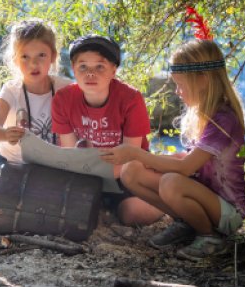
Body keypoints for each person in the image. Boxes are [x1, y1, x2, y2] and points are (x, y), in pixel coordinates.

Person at [99, 39, 245, 261]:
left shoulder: (223, 119)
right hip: (204, 196)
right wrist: (145, 161)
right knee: (132, 171)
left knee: (170, 181)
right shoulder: (202, 116)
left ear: (202, 80)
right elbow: (187, 158)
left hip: (227, 211)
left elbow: (186, 168)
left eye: (181, 84)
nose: (177, 92)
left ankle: (210, 237)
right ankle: (188, 222)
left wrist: (137, 153)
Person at [51, 34, 164, 226]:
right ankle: (102, 204)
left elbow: (131, 155)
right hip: (86, 172)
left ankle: (163, 202)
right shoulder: (63, 99)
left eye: (100, 67)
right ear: (73, 69)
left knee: (133, 214)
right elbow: (69, 152)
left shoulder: (131, 98)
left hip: (126, 173)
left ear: (114, 69)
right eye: (83, 66)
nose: (90, 74)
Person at [0, 19, 71, 215]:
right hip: (9, 161)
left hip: (50, 165)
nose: (33, 64)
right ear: (15, 60)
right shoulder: (11, 90)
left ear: (53, 56)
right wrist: (6, 134)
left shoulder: (65, 88)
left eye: (41, 55)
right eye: (25, 56)